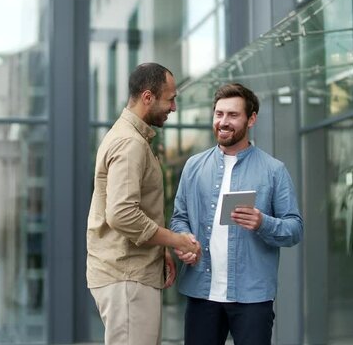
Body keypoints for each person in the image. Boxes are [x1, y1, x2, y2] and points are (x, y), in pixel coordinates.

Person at [170, 82, 303, 345]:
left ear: (251, 119)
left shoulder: (274, 170)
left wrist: (263, 222)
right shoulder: (193, 166)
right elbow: (179, 217)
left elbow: (295, 229)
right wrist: (183, 238)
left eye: (233, 115)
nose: (223, 122)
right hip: (201, 295)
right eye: (219, 114)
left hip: (253, 299)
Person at [86, 62, 201, 345]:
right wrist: (176, 241)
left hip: (130, 273)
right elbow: (122, 214)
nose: (174, 107)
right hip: (127, 276)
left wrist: (160, 249)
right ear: (148, 97)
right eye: (170, 99)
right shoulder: (130, 143)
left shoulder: (131, 137)